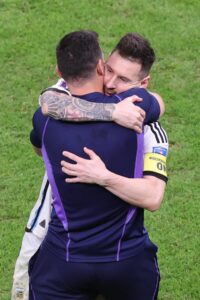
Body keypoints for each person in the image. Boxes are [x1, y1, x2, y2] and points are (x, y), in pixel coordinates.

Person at [12, 31, 167, 300]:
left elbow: (153, 197)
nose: (109, 82)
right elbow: (47, 101)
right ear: (100, 65)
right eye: (109, 70)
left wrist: (103, 176)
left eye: (124, 80)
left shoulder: (148, 127)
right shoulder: (132, 111)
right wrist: (111, 112)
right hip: (116, 259)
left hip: (67, 259)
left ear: (143, 84)